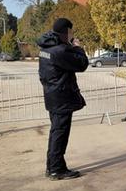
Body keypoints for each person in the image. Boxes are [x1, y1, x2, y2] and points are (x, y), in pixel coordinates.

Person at [37, 18, 89, 180]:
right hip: (62, 97)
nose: (71, 35)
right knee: (60, 133)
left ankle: (52, 166)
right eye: (70, 32)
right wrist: (79, 48)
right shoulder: (59, 51)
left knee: (56, 132)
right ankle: (56, 169)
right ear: (65, 32)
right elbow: (82, 64)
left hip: (52, 95)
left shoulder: (46, 48)